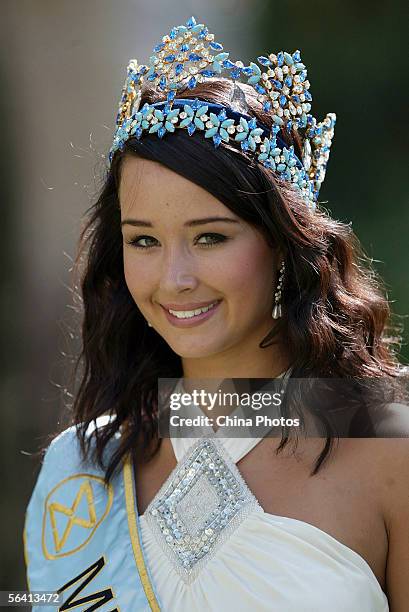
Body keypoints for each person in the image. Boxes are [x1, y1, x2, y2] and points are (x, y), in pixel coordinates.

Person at [23, 15, 409, 612]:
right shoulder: (83, 469)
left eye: (210, 238)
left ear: (283, 243)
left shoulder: (388, 448)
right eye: (144, 241)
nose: (175, 279)